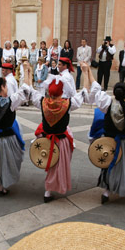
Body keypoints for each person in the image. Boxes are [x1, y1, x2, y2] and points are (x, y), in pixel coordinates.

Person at [85, 63, 125, 204]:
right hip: (124, 142)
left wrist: (88, 71)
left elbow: (96, 88)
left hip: (109, 142)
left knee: (110, 164)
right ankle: (124, 186)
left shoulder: (107, 104)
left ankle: (106, 192)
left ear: (114, 93)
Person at [29, 73, 88, 203]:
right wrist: (86, 72)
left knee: (50, 164)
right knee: (59, 165)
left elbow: (30, 91)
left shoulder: (42, 102)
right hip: (61, 141)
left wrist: (28, 73)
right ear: (62, 92)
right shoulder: (68, 104)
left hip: (46, 141)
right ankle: (49, 190)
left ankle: (49, 190)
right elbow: (84, 93)